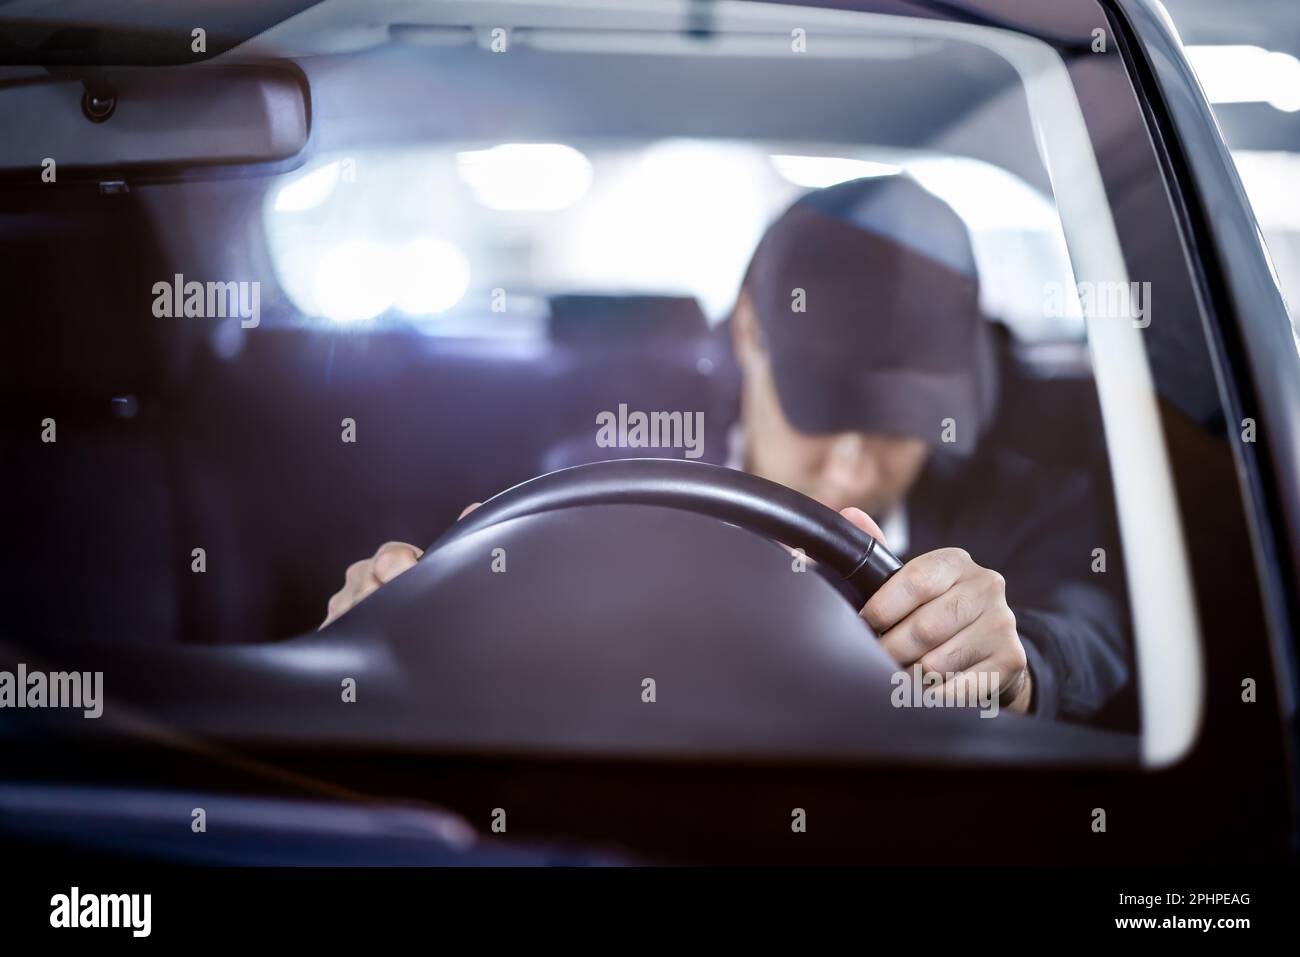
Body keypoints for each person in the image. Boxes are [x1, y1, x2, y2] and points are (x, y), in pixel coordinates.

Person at [321, 176, 1132, 726]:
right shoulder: (600, 483)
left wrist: (1020, 666)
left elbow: (1095, 642)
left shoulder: (1029, 501)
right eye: (822, 409)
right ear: (750, 333)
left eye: (898, 421)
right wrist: (391, 627)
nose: (852, 466)